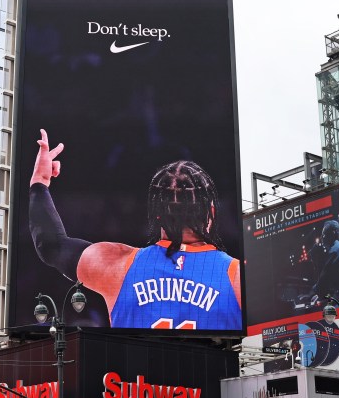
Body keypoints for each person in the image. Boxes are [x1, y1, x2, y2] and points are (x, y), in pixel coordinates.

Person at [28, 129, 242, 330]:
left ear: (157, 213)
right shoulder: (237, 277)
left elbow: (51, 245)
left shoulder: (120, 266)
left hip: (133, 371)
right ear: (211, 212)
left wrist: (40, 182)